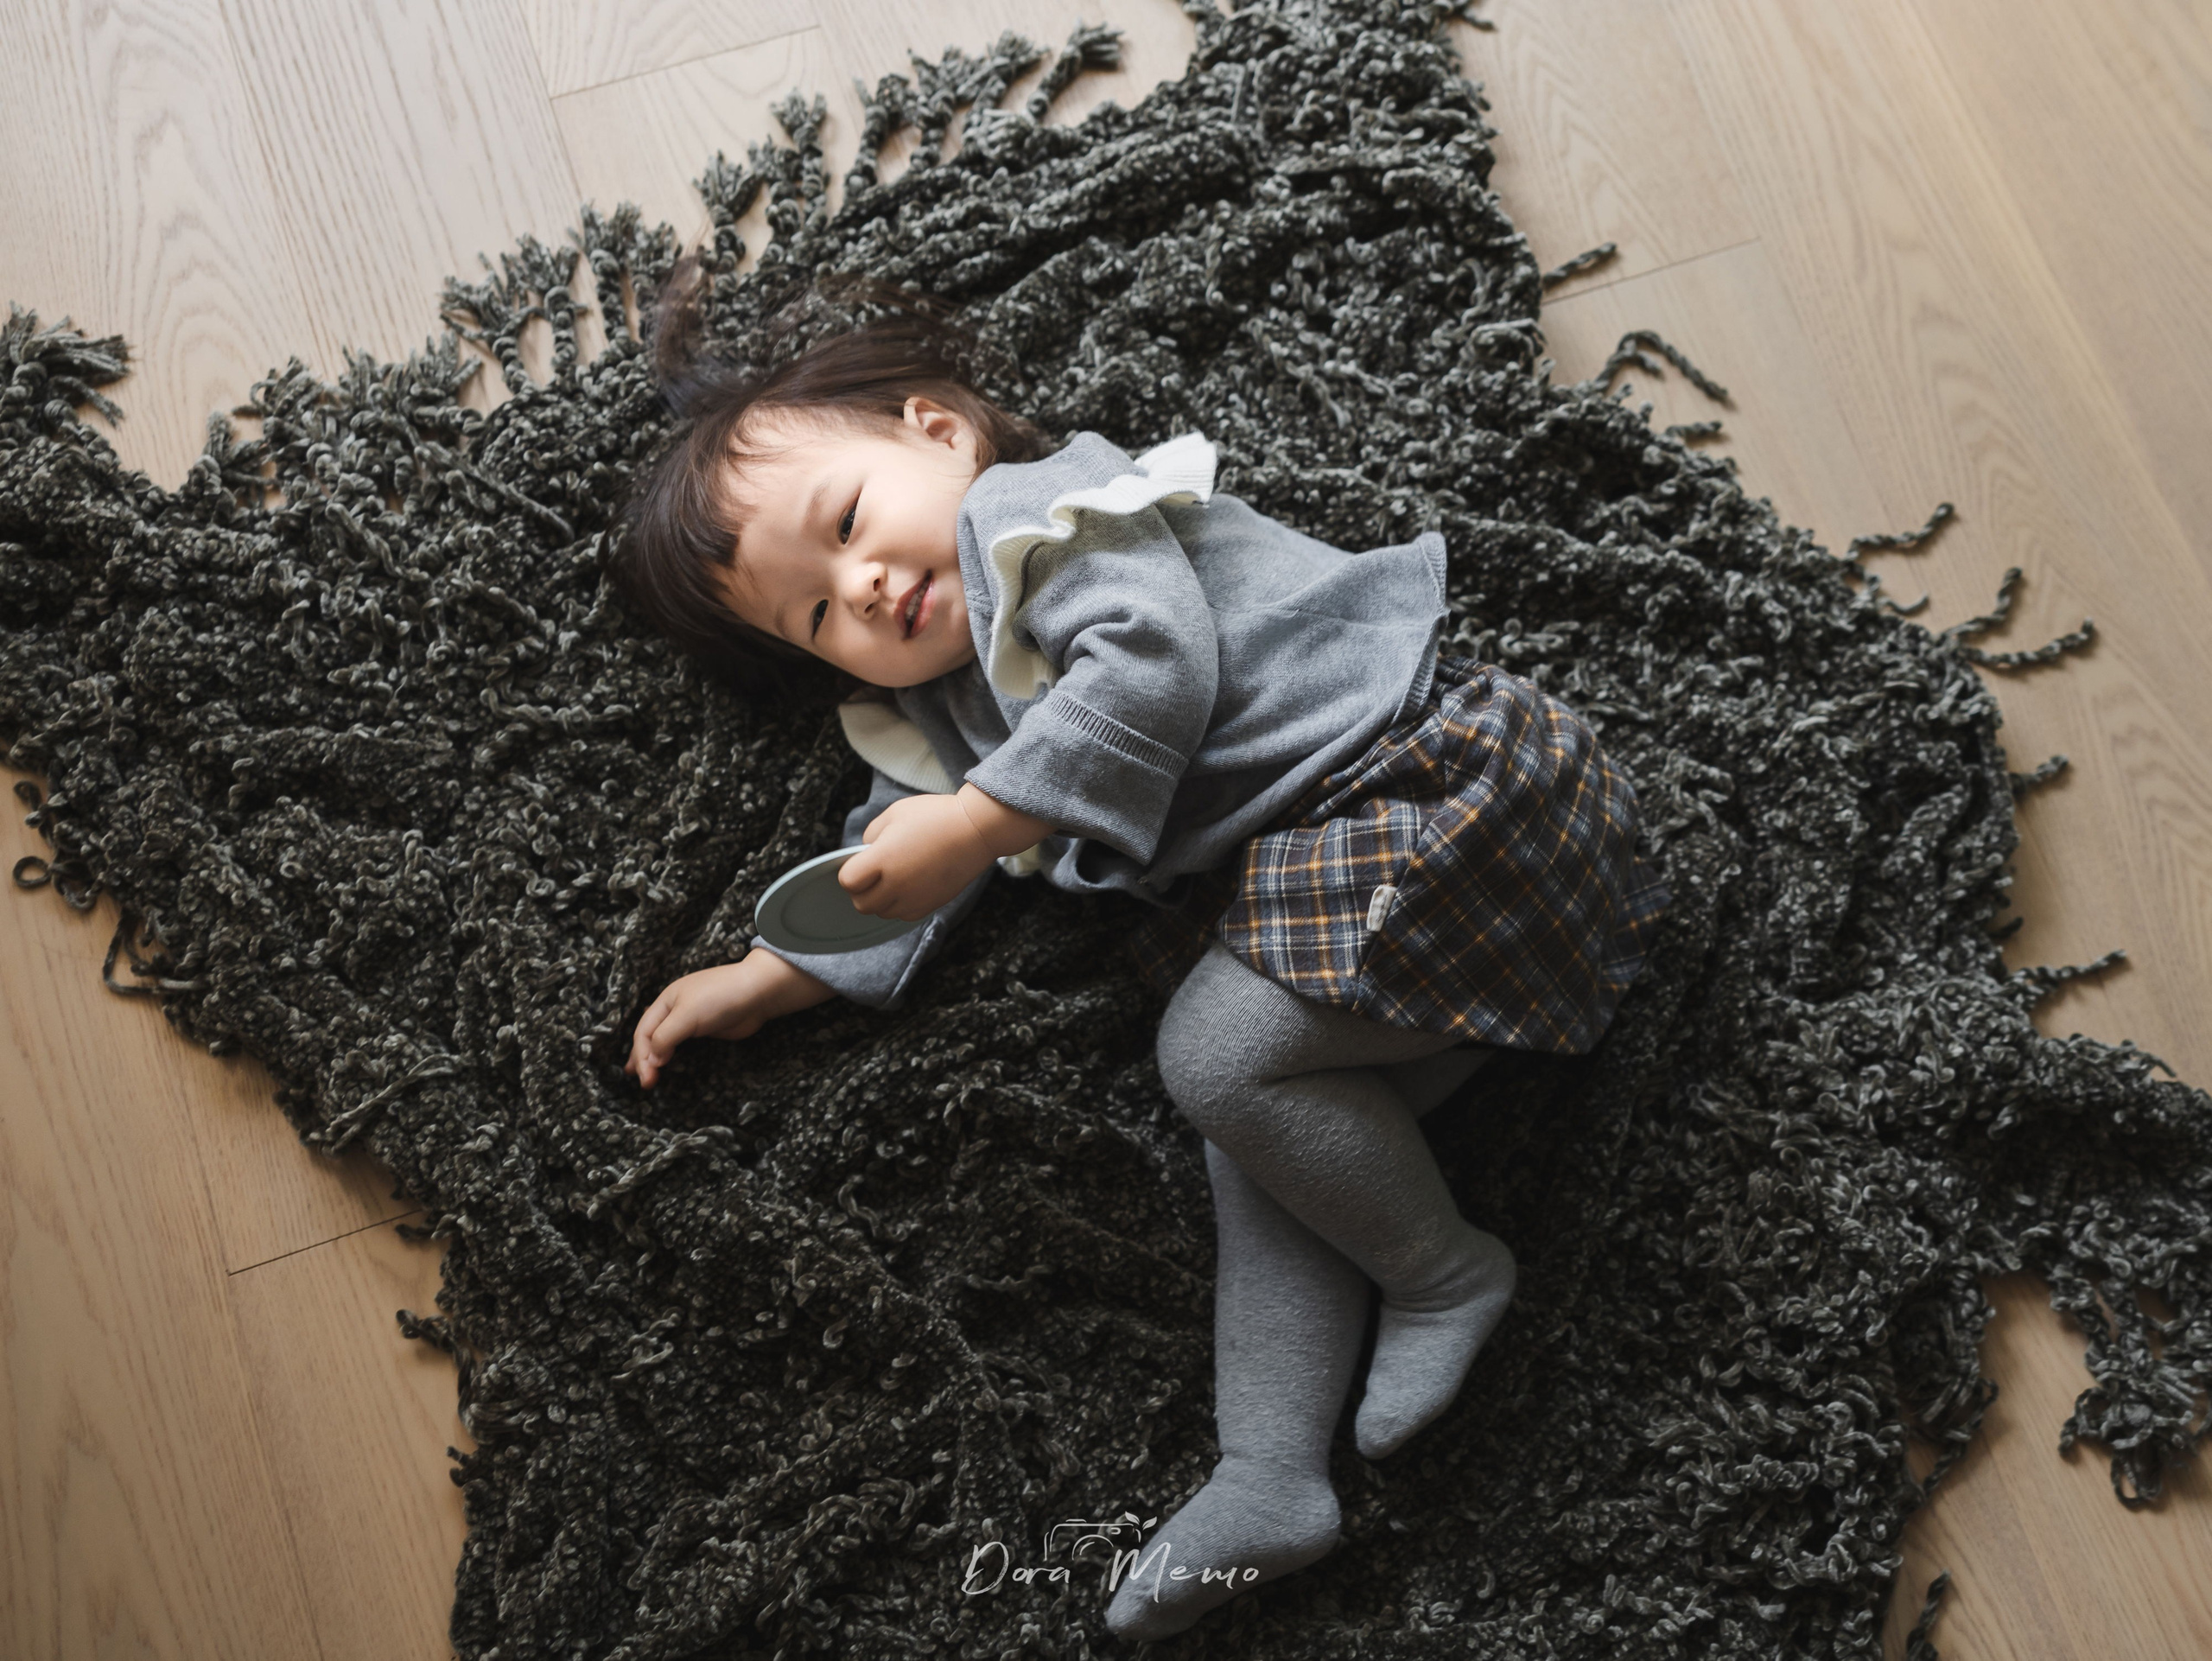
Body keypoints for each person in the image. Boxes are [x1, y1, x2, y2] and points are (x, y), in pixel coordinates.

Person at [610, 270, 1669, 1640]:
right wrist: (779, 970)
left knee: (1212, 1056)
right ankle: (1272, 1473)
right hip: (1377, 924)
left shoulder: (1042, 516)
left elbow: (1147, 670)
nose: (864, 589)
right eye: (816, 616)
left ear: (938, 435)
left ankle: (1447, 1272)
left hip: (1435, 792)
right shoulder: (928, 708)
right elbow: (899, 860)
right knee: (1264, 1137)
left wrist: (979, 822)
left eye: (851, 524)